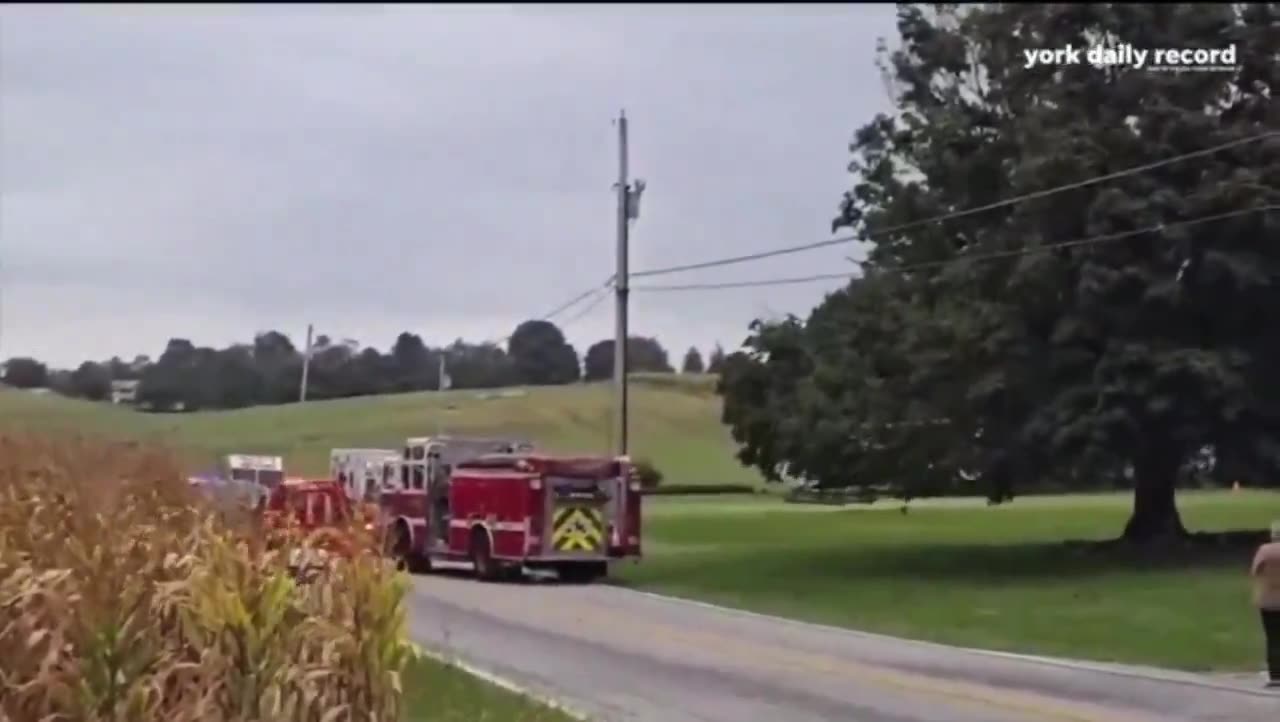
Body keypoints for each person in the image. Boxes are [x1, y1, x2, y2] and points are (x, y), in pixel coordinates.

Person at [1251, 521, 1280, 688]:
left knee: (1272, 637)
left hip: (1268, 599)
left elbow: (1255, 571)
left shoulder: (1265, 550)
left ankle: (1275, 673)